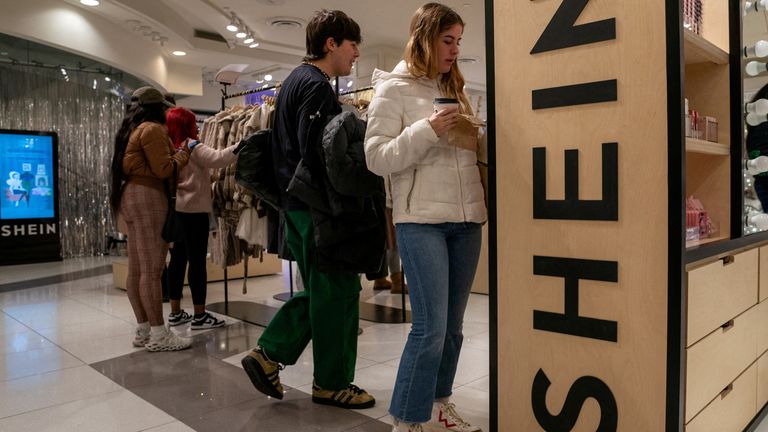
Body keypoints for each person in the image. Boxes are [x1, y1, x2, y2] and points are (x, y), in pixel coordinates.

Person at [240, 9, 376, 410]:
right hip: (317, 208)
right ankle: (331, 383)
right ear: (331, 43)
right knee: (335, 290)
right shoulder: (316, 87)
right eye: (352, 45)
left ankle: (268, 355)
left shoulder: (294, 83)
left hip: (296, 206)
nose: (356, 54)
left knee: (329, 288)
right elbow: (321, 155)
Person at [364, 3, 486, 432]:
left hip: (467, 220)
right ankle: (406, 419)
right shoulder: (392, 89)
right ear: (425, 38)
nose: (454, 50)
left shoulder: (456, 86)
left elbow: (467, 154)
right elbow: (376, 158)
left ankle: (440, 404)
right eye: (447, 40)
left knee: (453, 329)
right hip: (420, 221)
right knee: (429, 329)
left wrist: (478, 135)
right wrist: (427, 129)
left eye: (458, 42)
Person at [109, 86, 192, 352]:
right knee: (152, 271)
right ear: (158, 108)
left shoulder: (130, 131)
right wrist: (183, 153)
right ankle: (158, 334)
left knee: (137, 269)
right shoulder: (153, 129)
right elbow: (164, 169)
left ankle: (144, 329)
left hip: (131, 196)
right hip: (148, 197)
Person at [164, 106, 236, 329]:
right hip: (195, 213)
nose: (196, 126)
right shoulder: (193, 146)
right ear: (186, 125)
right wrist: (243, 144)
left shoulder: (169, 148)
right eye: (193, 122)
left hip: (177, 211)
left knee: (177, 261)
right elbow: (219, 158)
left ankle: (175, 312)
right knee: (196, 263)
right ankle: (200, 315)